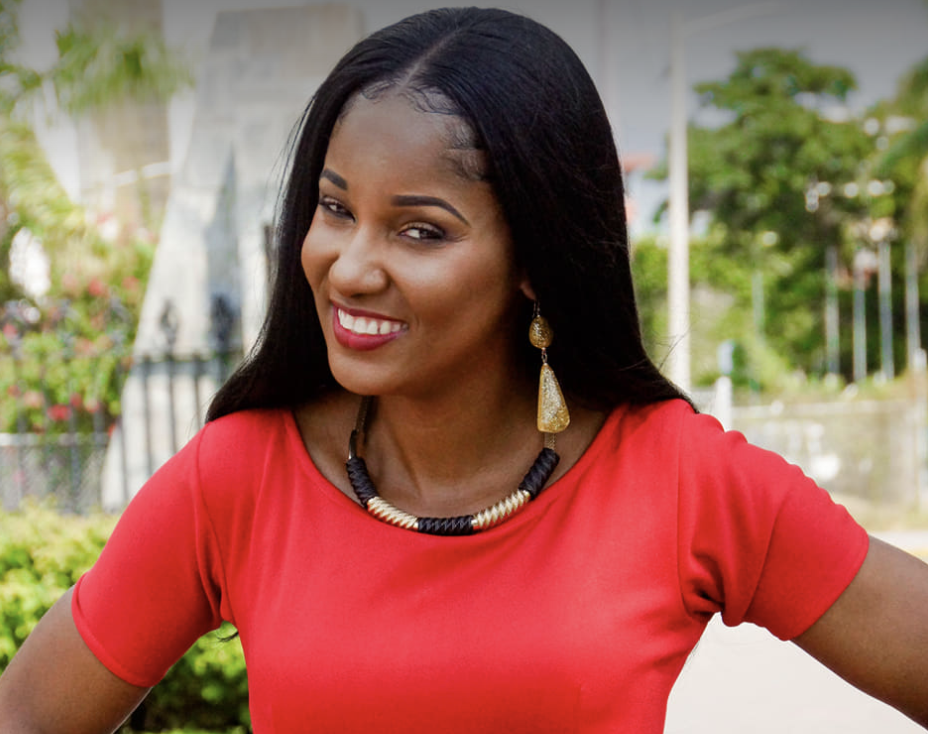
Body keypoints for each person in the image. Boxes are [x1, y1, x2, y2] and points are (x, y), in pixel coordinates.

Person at [1, 6, 927, 733]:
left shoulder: (681, 478)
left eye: (419, 230)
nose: (351, 264)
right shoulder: (238, 476)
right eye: (334, 208)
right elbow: (29, 714)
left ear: (534, 258)